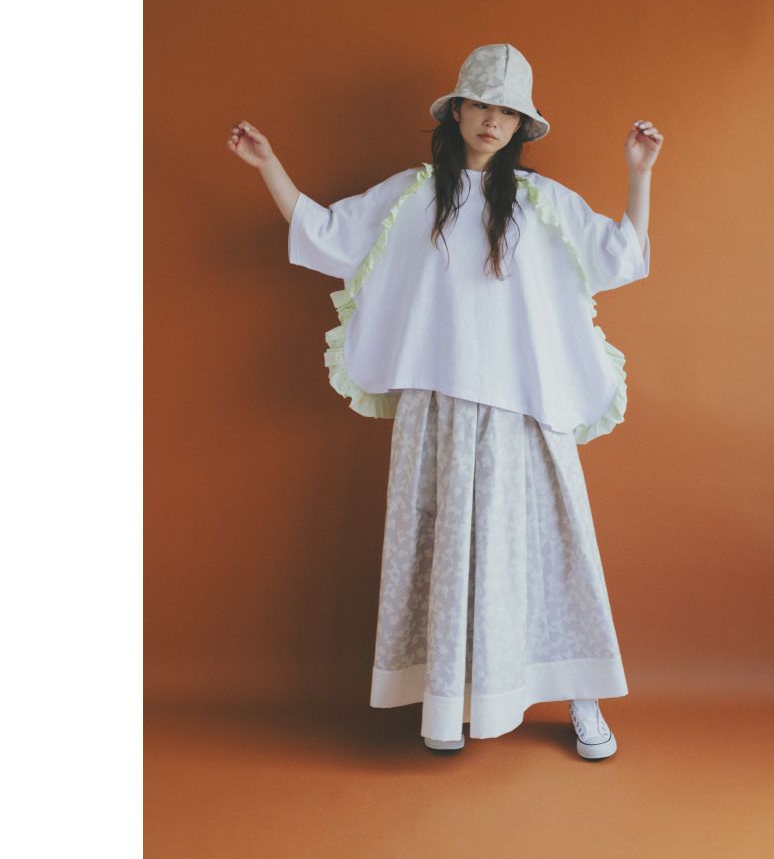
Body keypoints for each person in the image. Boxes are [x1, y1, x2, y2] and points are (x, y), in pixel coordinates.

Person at [227, 43, 664, 760]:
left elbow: (621, 257)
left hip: (525, 407)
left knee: (550, 551)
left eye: (508, 112)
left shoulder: (542, 202)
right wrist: (269, 165)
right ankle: (448, 704)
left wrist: (638, 174)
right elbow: (327, 236)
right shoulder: (412, 195)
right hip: (438, 405)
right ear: (457, 110)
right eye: (482, 104)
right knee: (444, 554)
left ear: (521, 125)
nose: (493, 120)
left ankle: (581, 697)